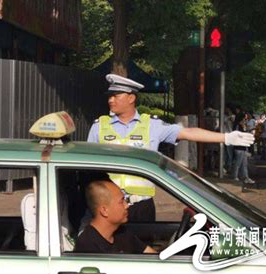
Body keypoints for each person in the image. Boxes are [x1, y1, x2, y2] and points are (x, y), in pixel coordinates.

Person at [88, 74, 254, 222]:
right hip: (108, 208)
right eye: (110, 96)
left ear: (131, 98)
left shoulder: (152, 126)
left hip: (142, 206)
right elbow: (88, 167)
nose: (111, 100)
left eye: (116, 96)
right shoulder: (99, 126)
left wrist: (226, 138)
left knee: (141, 254)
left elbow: (188, 132)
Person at [74, 179, 156, 254]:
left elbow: (151, 255)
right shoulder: (88, 246)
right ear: (104, 211)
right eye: (121, 201)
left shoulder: (122, 233)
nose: (127, 205)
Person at [231, 115, 255, 184]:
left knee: (244, 164)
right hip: (239, 147)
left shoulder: (241, 126)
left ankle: (245, 177)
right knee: (238, 163)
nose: (245, 121)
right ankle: (235, 176)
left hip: (243, 147)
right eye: (243, 119)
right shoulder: (238, 127)